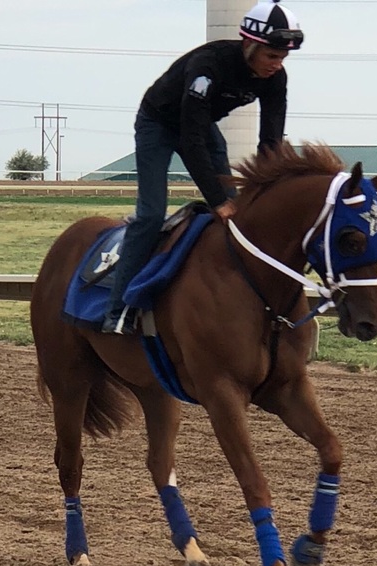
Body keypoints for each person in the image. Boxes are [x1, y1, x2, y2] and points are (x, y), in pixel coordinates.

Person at [102, 0, 304, 334]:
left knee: (236, 214)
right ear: (250, 45)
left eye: (283, 57)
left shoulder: (275, 78)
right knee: (152, 213)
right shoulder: (209, 66)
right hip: (159, 124)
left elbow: (270, 142)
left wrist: (264, 192)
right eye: (271, 56)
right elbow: (191, 140)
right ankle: (118, 308)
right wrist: (217, 199)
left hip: (200, 124)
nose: (277, 64)